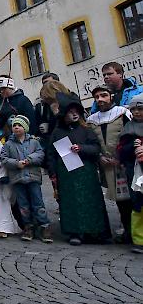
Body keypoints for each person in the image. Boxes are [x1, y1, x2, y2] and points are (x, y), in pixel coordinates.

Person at [48, 93, 111, 245]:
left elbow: (96, 148)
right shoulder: (57, 132)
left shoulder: (86, 129)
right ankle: (75, 232)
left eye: (76, 111)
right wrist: (53, 173)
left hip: (86, 172)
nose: (74, 114)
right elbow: (51, 154)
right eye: (71, 112)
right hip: (67, 174)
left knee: (92, 201)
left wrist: (81, 148)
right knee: (71, 203)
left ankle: (95, 232)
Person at [86, 84, 133, 243]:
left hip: (126, 163)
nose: (100, 99)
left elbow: (131, 136)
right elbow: (92, 142)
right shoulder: (92, 120)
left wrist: (121, 156)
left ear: (111, 96)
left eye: (104, 95)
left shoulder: (123, 113)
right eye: (97, 97)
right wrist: (99, 156)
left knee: (134, 197)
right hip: (107, 165)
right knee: (121, 200)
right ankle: (128, 231)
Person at [0, 116, 51, 242]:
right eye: (14, 125)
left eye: (19, 125)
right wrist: (16, 163)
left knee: (38, 203)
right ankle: (28, 226)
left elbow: (40, 154)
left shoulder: (34, 142)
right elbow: (4, 159)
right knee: (23, 205)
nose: (16, 127)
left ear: (25, 128)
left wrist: (29, 160)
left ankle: (44, 226)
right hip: (18, 179)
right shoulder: (8, 144)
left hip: (33, 177)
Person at [117, 93, 143, 253]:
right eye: (134, 110)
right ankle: (139, 238)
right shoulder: (128, 128)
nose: (137, 112)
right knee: (138, 205)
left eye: (140, 109)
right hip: (134, 171)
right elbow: (121, 150)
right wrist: (132, 147)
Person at [34, 73, 60, 151]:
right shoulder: (40, 103)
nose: (46, 86)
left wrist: (50, 126)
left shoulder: (67, 98)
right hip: (48, 142)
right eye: (44, 83)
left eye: (48, 82)